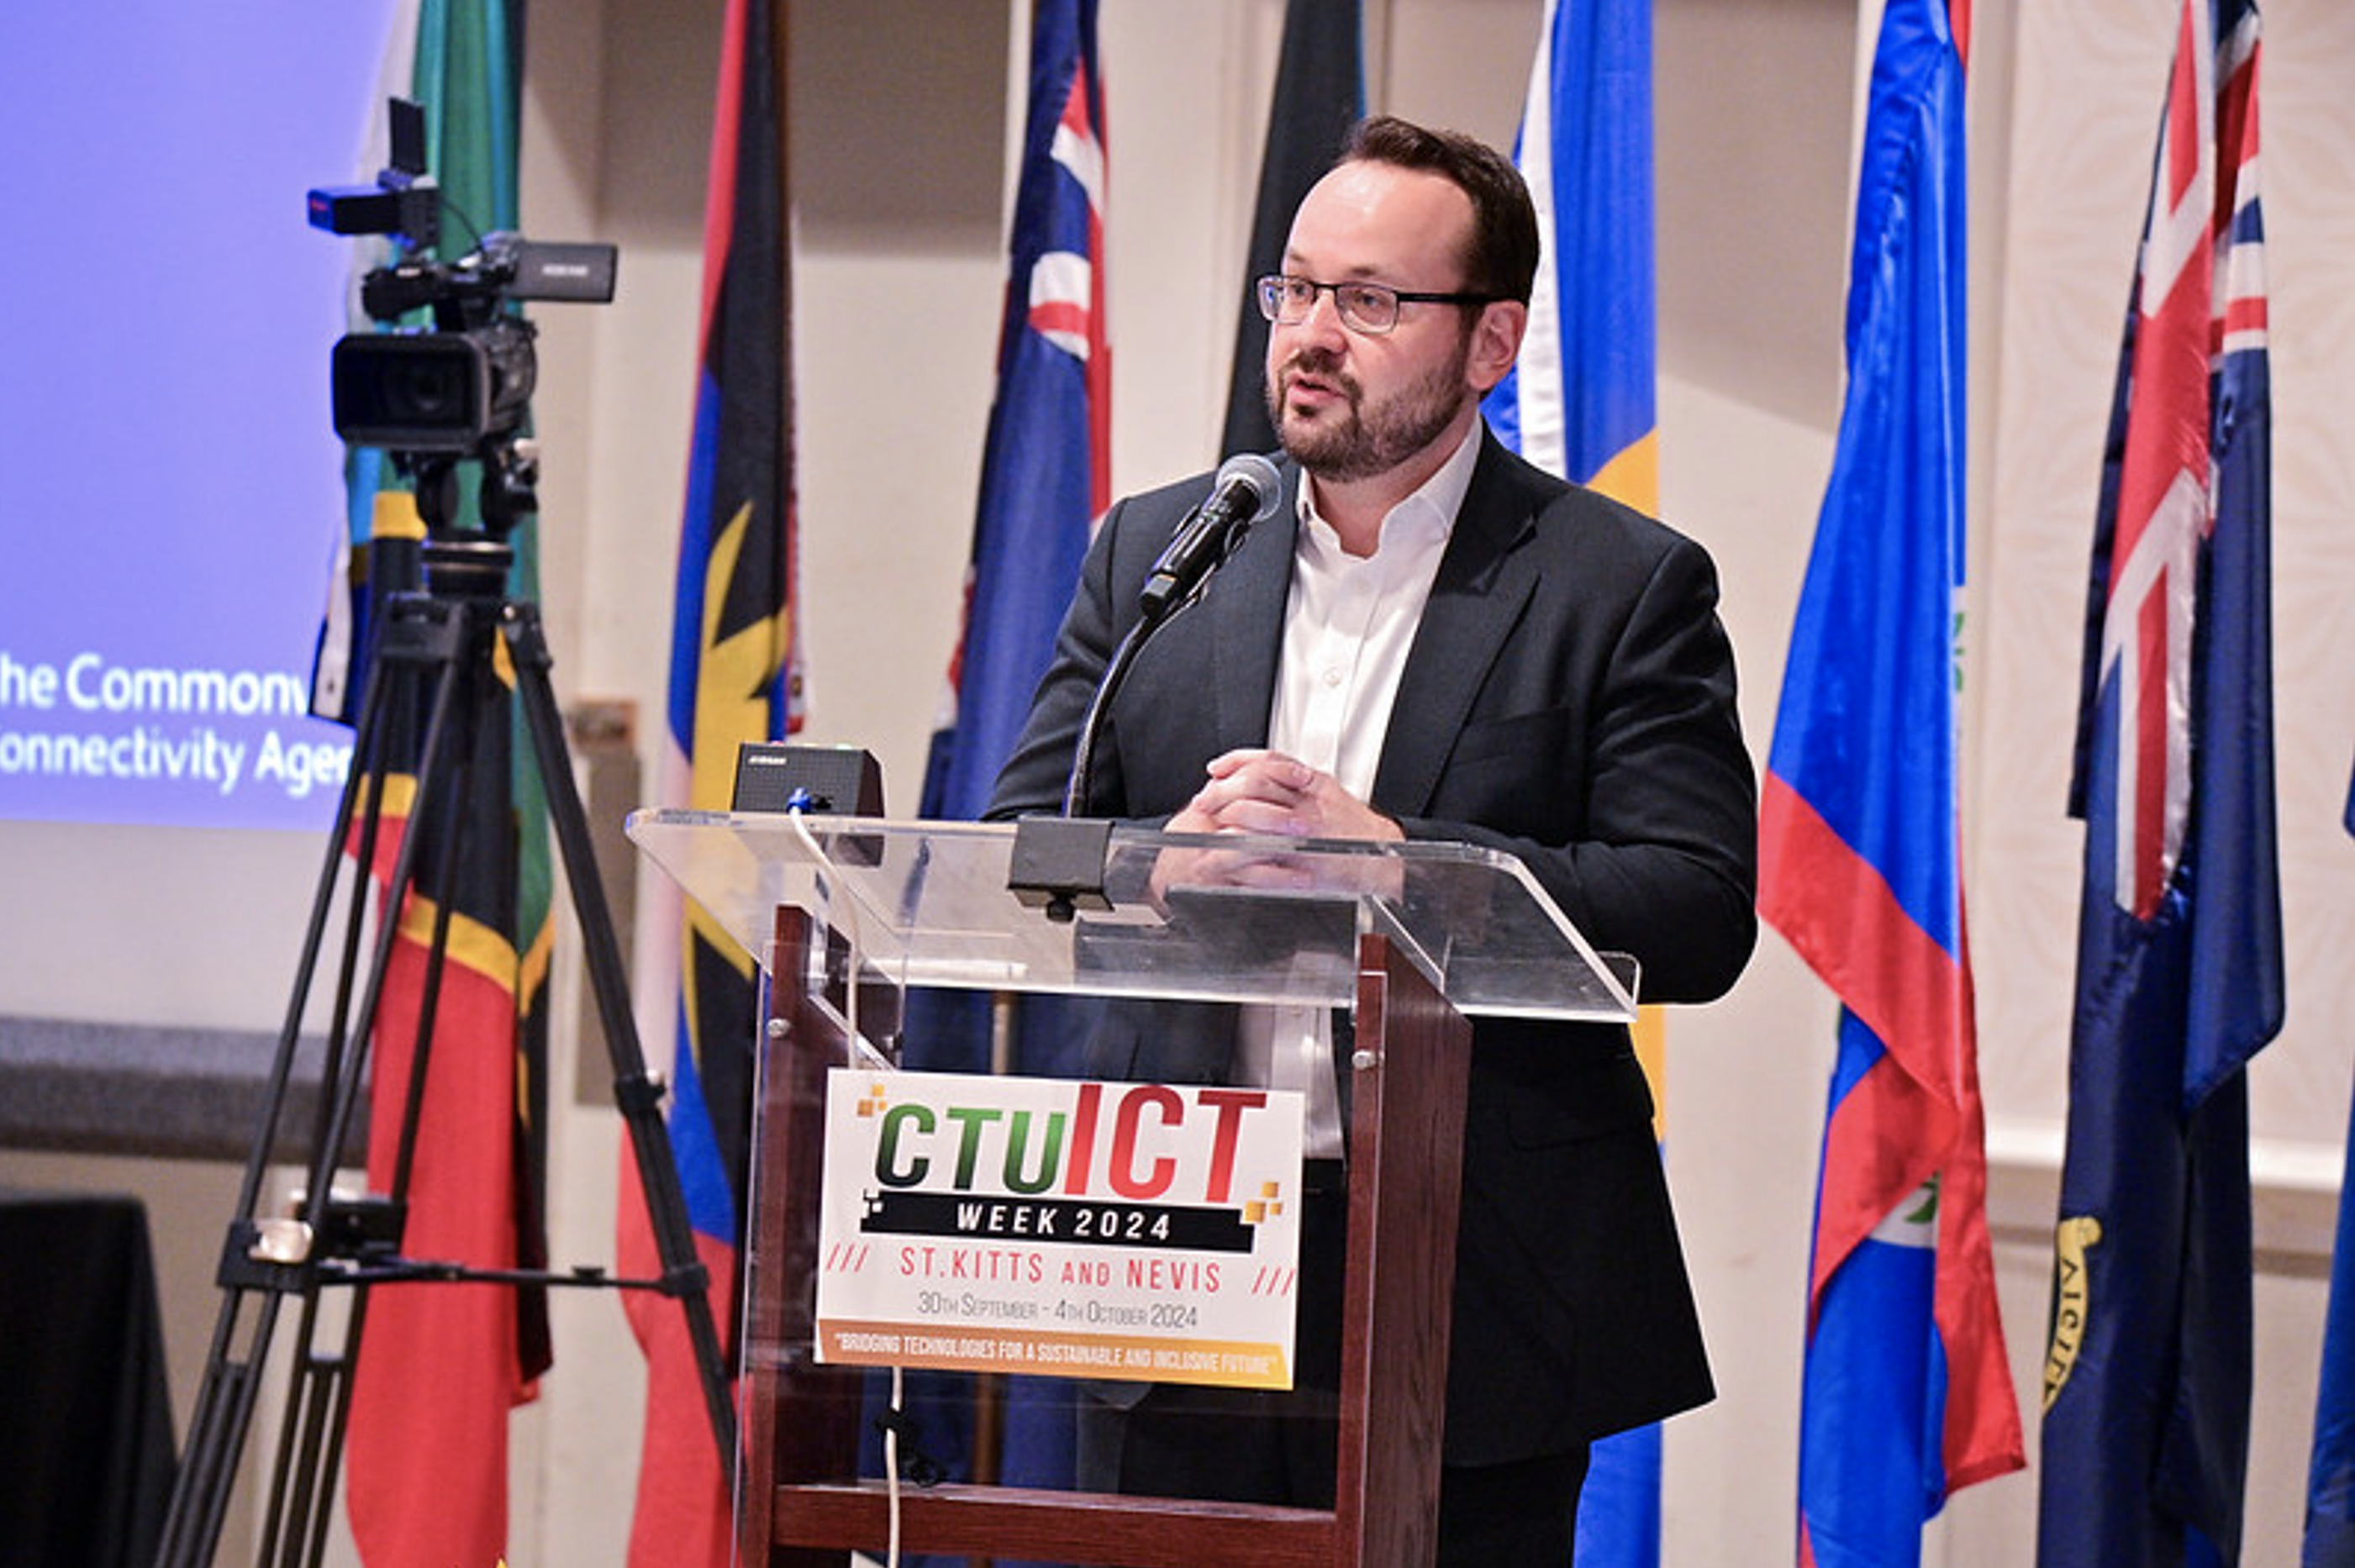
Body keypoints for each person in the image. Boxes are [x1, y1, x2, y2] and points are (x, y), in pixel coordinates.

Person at [987, 114, 1757, 1564]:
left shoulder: (1617, 583)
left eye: (1371, 300)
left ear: (1487, 343)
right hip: (1178, 1249)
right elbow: (1021, 836)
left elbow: (1698, 908)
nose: (1312, 335)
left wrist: (1396, 858)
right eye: (1295, 289)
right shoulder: (1161, 548)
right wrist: (1165, 860)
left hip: (1471, 1280)